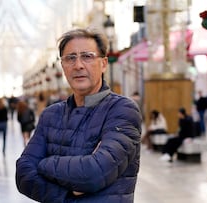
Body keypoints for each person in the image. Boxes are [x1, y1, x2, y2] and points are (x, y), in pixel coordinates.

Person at [16, 28, 142, 202]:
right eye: (70, 58)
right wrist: (67, 194)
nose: (78, 65)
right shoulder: (51, 115)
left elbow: (94, 173)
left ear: (104, 63)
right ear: (63, 66)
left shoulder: (122, 110)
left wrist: (44, 163)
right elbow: (23, 174)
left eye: (87, 56)